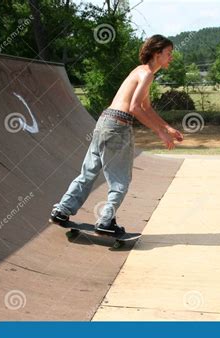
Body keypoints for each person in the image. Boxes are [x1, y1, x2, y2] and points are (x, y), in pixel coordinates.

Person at [50, 34, 184, 234]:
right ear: (157, 54)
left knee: (88, 172)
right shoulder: (147, 74)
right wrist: (160, 133)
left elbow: (146, 107)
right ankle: (105, 222)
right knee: (120, 179)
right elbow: (135, 108)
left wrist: (166, 128)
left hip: (105, 122)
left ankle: (62, 210)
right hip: (118, 127)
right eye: (168, 53)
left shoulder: (140, 71)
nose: (171, 57)